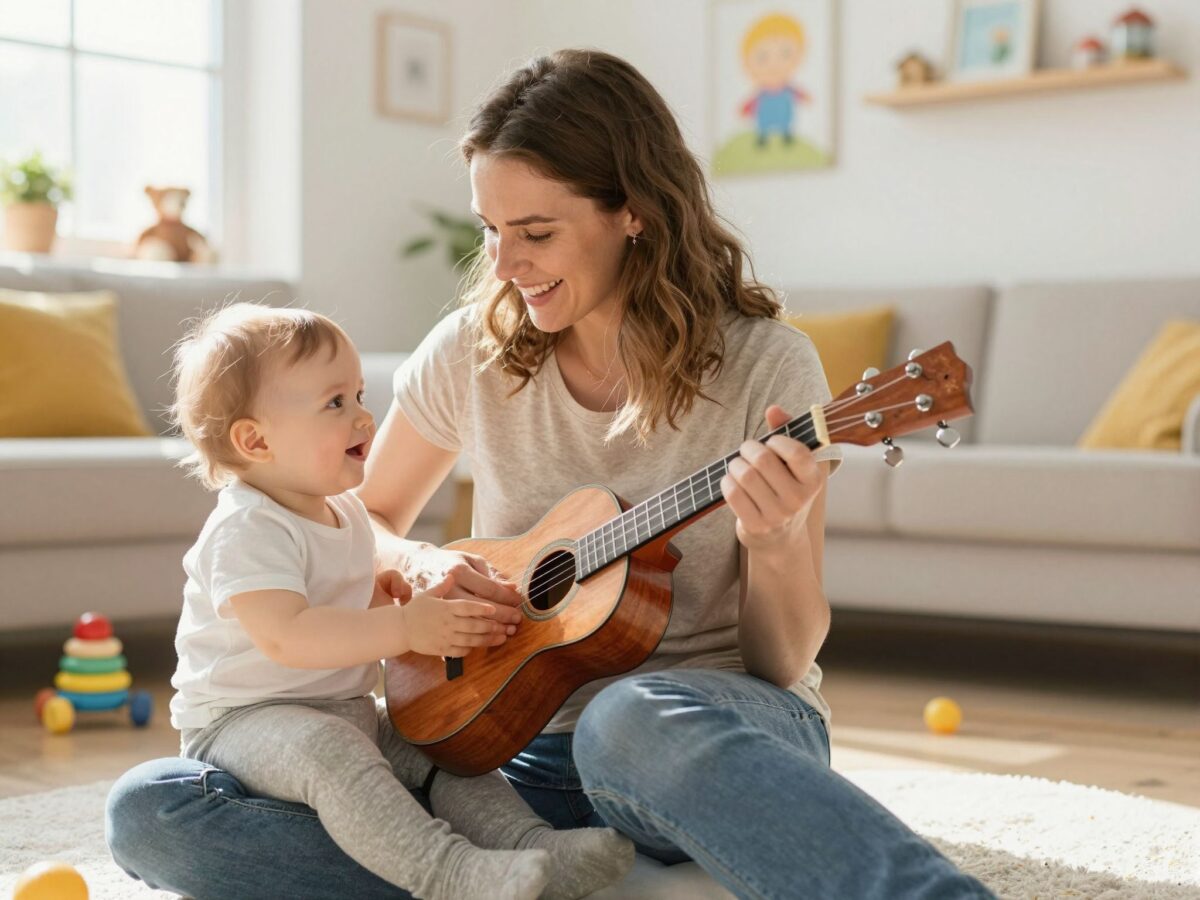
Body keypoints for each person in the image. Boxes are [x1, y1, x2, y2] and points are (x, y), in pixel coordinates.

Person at [107, 50, 994, 899]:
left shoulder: (771, 369)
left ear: (633, 211)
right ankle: (538, 880)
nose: (503, 264)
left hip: (699, 738)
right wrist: (417, 568)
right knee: (153, 809)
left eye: (535, 233)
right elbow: (363, 514)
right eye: (491, 231)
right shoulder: (472, 351)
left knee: (626, 719)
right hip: (513, 757)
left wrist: (777, 538)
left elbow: (782, 658)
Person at [107, 302, 633, 900]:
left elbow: (348, 617)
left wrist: (391, 602)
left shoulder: (347, 512)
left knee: (438, 746)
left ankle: (528, 846)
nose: (364, 417)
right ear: (255, 440)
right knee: (326, 752)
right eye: (336, 404)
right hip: (241, 723)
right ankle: (449, 873)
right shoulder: (246, 528)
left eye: (359, 395)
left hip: (344, 707)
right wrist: (405, 627)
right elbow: (290, 636)